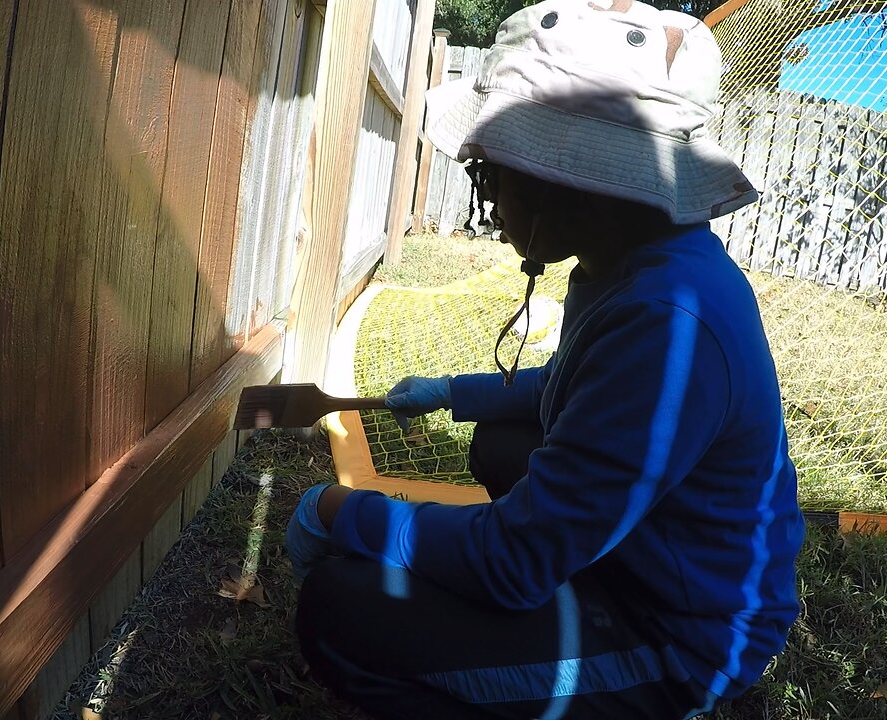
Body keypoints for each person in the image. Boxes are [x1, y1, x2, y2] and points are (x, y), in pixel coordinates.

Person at [284, 0, 806, 718]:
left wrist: (342, 510)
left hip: (679, 638)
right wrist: (451, 392)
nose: (487, 198)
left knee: (341, 610)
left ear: (573, 181)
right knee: (505, 445)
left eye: (492, 171)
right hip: (635, 561)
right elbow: (576, 392)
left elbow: (511, 562)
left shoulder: (668, 322)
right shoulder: (634, 263)